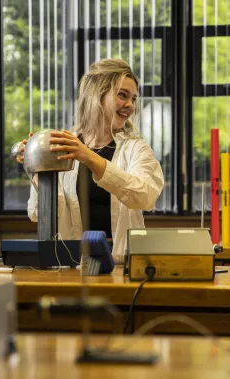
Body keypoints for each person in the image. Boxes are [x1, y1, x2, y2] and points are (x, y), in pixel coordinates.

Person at [26, 59, 164, 263]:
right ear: (96, 95)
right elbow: (37, 215)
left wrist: (88, 156)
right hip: (72, 264)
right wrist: (37, 171)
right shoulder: (64, 145)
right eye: (122, 95)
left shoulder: (136, 148)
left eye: (133, 99)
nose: (130, 106)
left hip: (121, 263)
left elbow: (144, 196)